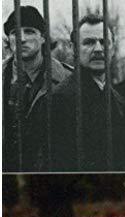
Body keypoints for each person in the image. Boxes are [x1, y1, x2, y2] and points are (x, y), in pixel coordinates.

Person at [49, 14, 125, 172]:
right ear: (74, 48)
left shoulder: (119, 100)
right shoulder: (60, 98)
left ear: (113, 48)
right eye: (89, 42)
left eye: (104, 42)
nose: (98, 49)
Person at [3, 6, 72, 172]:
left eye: (29, 31)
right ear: (8, 39)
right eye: (15, 32)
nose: (21, 39)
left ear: (43, 37)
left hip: (48, 172)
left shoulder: (68, 78)